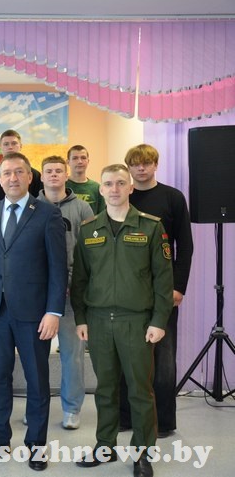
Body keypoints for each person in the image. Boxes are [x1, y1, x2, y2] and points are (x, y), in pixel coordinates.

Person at [0, 152, 67, 471]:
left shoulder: (48, 214)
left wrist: (54, 311)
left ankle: (36, 445)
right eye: (6, 173)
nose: (12, 178)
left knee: (37, 380)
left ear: (29, 177)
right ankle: (0, 439)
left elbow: (58, 268)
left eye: (18, 172)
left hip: (34, 313)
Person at [71, 164, 173, 477]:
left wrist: (159, 320)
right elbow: (80, 279)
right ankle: (105, 446)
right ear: (100, 190)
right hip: (99, 321)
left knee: (140, 391)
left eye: (120, 183)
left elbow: (163, 279)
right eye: (108, 184)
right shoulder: (89, 229)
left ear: (130, 188)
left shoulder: (151, 227)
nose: (114, 189)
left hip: (136, 322)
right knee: (105, 389)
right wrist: (81, 318)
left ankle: (142, 454)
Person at [120, 144, 193, 438]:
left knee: (163, 357)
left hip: (163, 289)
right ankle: (126, 416)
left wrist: (178, 287)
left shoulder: (173, 197)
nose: (141, 168)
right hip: (127, 289)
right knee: (126, 354)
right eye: (136, 164)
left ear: (155, 165)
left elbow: (185, 246)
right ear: (129, 167)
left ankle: (163, 421)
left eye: (147, 163)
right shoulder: (122, 196)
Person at [37, 155, 94, 430]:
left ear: (66, 174)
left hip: (72, 293)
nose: (54, 175)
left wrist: (78, 283)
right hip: (38, 293)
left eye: (59, 170)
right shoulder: (31, 206)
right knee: (36, 356)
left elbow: (91, 251)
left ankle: (71, 409)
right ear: (41, 176)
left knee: (72, 355)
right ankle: (37, 408)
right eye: (49, 171)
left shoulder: (82, 208)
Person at [0, 130, 43, 201]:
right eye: (6, 144)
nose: (10, 147)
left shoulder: (35, 175)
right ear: (0, 148)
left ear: (21, 146)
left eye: (14, 143)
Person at [66, 145, 105, 215]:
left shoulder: (96, 188)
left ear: (88, 161)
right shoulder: (61, 185)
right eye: (75, 158)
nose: (80, 161)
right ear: (68, 162)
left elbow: (102, 215)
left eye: (83, 158)